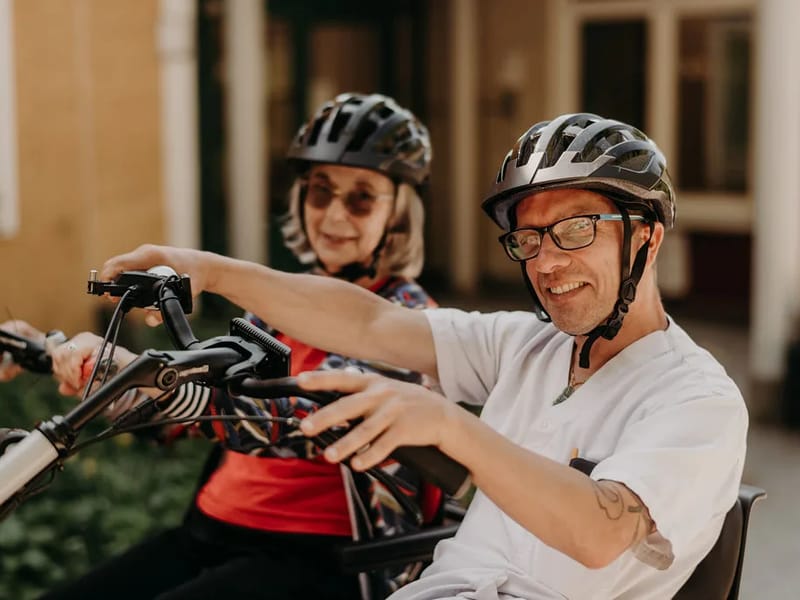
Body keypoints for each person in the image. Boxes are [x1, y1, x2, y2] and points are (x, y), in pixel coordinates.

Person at [99, 112, 748, 599]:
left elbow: (604, 532)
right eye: (528, 238)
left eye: (576, 230)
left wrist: (449, 426)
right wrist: (206, 268)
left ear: (648, 238)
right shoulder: (528, 347)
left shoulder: (696, 400)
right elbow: (371, 319)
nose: (549, 262)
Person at [9, 93, 440, 600]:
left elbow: (299, 417)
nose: (335, 214)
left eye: (361, 197)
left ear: (400, 214)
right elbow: (182, 416)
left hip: (316, 556)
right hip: (208, 532)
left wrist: (164, 377)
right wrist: (72, 358)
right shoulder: (287, 304)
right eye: (320, 192)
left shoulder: (410, 319)